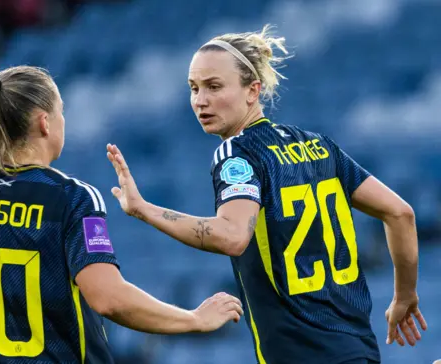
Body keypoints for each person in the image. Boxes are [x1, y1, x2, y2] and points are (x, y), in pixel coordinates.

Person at [105, 25, 427, 364]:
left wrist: (143, 209)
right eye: (194, 88)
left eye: (214, 87)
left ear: (252, 90)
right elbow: (400, 213)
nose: (200, 100)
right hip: (358, 351)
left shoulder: (239, 153)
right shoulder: (319, 146)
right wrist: (404, 295)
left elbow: (231, 236)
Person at [0, 53, 244, 363]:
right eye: (61, 112)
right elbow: (108, 298)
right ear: (44, 122)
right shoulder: (72, 198)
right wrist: (193, 319)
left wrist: (10, 315)